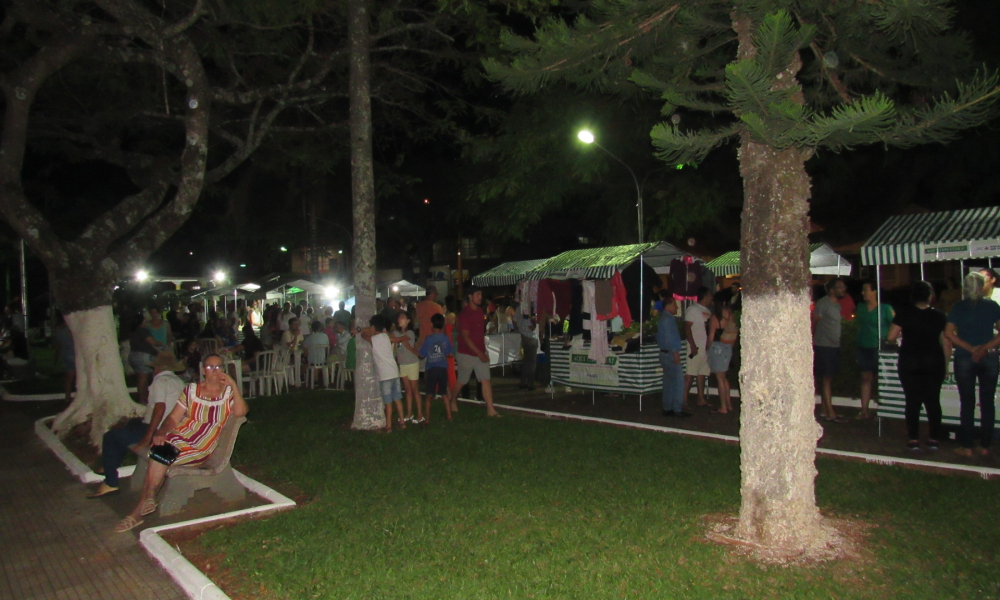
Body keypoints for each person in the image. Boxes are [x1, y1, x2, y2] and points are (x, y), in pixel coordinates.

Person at [115, 354, 248, 532]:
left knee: (160, 454)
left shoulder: (228, 393)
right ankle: (147, 501)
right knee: (160, 449)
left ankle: (141, 508)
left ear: (223, 370)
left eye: (218, 367)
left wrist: (233, 385)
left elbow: (240, 412)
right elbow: (173, 418)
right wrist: (162, 431)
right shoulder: (191, 391)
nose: (214, 371)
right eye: (210, 367)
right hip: (181, 436)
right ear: (203, 370)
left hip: (200, 445)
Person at [88, 352, 187, 499]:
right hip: (171, 427)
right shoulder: (179, 382)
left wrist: (147, 437)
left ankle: (110, 482)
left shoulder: (160, 381)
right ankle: (110, 464)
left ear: (157, 368)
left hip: (158, 429)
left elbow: (160, 408)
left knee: (110, 436)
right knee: (131, 424)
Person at [887, 281, 950, 451]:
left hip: (910, 361)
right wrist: (946, 366)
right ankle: (934, 438)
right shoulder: (939, 315)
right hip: (933, 362)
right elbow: (946, 342)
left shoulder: (904, 313)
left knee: (912, 401)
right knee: (933, 401)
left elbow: (891, 336)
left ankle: (913, 439)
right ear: (930, 296)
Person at [944, 272, 1000, 457]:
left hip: (965, 357)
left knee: (967, 402)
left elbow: (949, 333)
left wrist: (970, 349)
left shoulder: (958, 307)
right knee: (987, 402)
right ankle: (985, 445)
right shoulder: (992, 306)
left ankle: (967, 446)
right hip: (989, 356)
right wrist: (984, 348)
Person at [447, 286, 500, 418]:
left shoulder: (480, 311)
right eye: (478, 294)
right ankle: (452, 400)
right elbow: (465, 337)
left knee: (485, 380)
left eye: (481, 294)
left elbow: (479, 333)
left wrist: (483, 350)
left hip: (480, 352)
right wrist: (479, 353)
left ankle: (491, 409)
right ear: (470, 296)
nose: (480, 297)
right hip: (466, 353)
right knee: (462, 381)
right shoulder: (464, 314)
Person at [854, 281, 894, 419]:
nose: (863, 293)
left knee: (882, 380)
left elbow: (897, 326)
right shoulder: (860, 307)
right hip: (863, 346)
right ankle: (864, 410)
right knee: (865, 377)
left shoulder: (885, 308)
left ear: (874, 292)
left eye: (866, 290)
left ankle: (884, 410)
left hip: (880, 347)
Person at [361, 315, 405, 433]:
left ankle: (388, 426)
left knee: (388, 402)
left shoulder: (373, 339)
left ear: (374, 327)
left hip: (385, 375)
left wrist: (361, 330)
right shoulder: (386, 336)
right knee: (397, 399)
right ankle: (402, 422)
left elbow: (364, 335)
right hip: (394, 372)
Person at [812, 278, 847, 422]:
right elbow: (814, 321)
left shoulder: (837, 305)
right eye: (839, 287)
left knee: (829, 377)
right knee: (826, 378)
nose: (843, 289)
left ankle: (825, 409)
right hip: (824, 345)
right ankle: (830, 413)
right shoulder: (823, 303)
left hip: (834, 346)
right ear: (832, 290)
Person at [419, 313, 454, 424]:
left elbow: (422, 354)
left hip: (431, 368)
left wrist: (412, 349)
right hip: (442, 368)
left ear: (432, 325)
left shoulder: (428, 339)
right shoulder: (445, 338)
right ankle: (449, 415)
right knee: (444, 393)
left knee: (429, 394)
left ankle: (427, 419)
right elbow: (450, 353)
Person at [683, 286, 714, 409]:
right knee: (690, 373)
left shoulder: (707, 311)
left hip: (704, 346)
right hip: (695, 347)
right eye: (710, 295)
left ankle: (701, 398)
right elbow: (687, 327)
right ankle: (683, 400)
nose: (711, 297)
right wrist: (692, 345)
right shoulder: (693, 309)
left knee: (702, 373)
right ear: (705, 296)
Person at [657, 296, 687, 417]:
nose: (677, 307)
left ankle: (667, 407)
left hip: (664, 353)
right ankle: (677, 408)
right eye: (674, 305)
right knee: (678, 382)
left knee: (668, 381)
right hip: (670, 353)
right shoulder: (668, 320)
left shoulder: (663, 318)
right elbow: (670, 338)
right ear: (668, 306)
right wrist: (675, 353)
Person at [706, 301, 739, 414]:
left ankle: (723, 407)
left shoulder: (715, 318)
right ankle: (728, 404)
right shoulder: (732, 317)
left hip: (717, 348)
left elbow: (710, 337)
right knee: (724, 378)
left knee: (719, 378)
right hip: (728, 347)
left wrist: (707, 349)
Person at [392, 312, 422, 422]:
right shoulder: (396, 332)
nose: (400, 319)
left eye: (403, 317)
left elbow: (399, 340)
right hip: (402, 364)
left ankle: (420, 414)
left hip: (412, 363)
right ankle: (409, 413)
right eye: (399, 317)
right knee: (407, 390)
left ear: (408, 321)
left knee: (415, 390)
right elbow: (394, 337)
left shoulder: (410, 333)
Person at [128, 312, 163, 406]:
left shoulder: (134, 331)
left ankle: (142, 399)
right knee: (144, 380)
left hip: (133, 355)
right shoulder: (143, 330)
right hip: (143, 356)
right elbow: (152, 342)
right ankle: (143, 399)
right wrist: (159, 343)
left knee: (140, 379)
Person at [415, 285, 444, 372]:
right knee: (434, 369)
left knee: (425, 369)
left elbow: (416, 323)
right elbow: (441, 324)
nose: (436, 297)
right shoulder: (437, 307)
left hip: (422, 341)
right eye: (435, 295)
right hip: (434, 342)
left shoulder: (418, 306)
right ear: (431, 294)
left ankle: (428, 385)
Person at [513, 299, 538, 390]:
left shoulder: (519, 308)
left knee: (526, 361)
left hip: (523, 336)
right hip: (531, 337)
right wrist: (536, 324)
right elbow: (531, 327)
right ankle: (530, 383)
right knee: (532, 362)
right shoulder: (529, 309)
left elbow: (514, 321)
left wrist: (520, 328)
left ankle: (523, 381)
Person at [52, 311, 76, 403]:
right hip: (73, 354)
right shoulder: (70, 329)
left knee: (68, 377)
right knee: (78, 377)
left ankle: (67, 396)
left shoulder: (59, 330)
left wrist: (56, 359)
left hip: (65, 355)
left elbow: (58, 347)